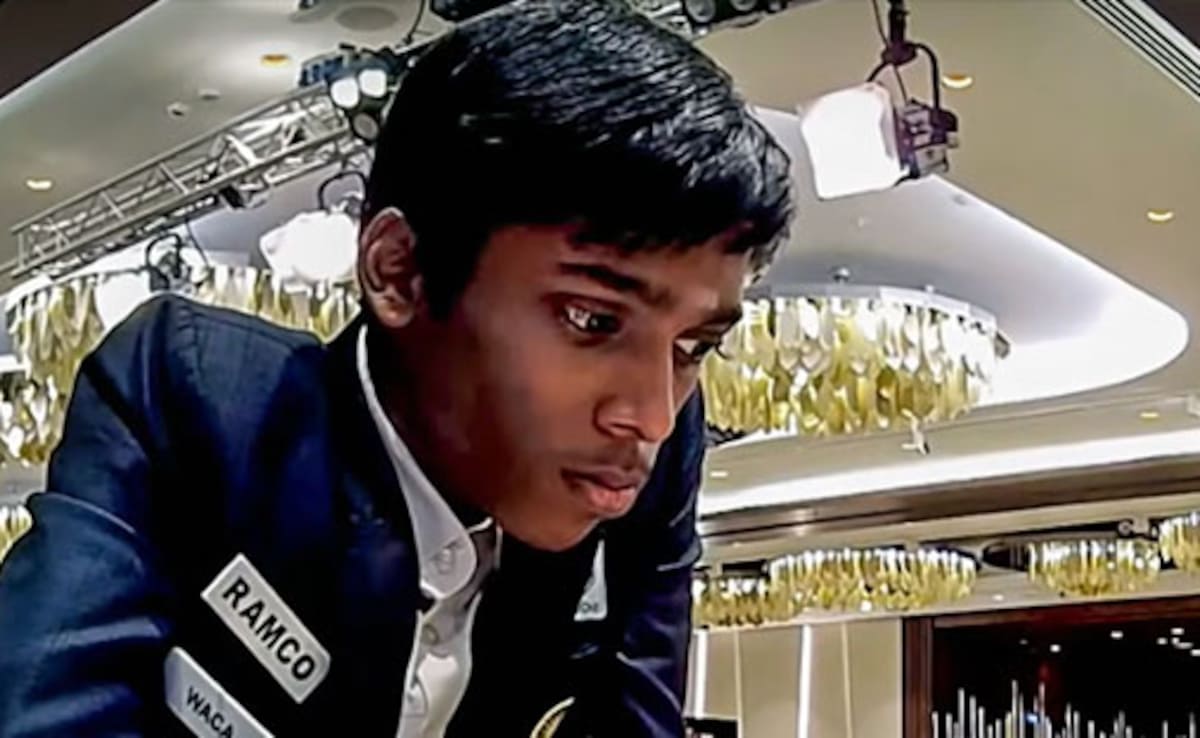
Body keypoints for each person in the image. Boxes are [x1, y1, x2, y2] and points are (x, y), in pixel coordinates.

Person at [0, 1, 792, 736]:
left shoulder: (656, 451)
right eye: (591, 320)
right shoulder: (199, 400)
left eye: (695, 347)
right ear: (399, 272)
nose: (650, 414)